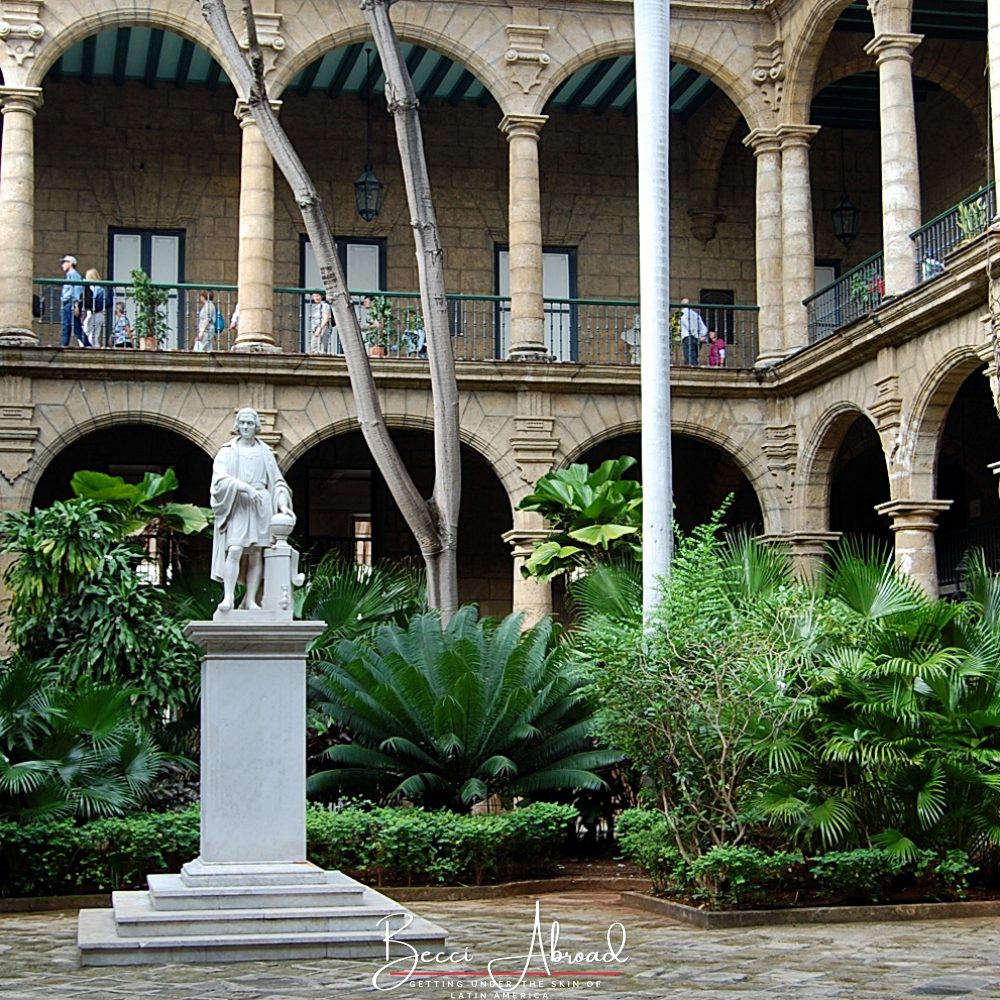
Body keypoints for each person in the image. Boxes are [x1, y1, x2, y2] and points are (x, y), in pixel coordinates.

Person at [210, 407, 293, 613]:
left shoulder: (264, 451)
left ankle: (251, 601)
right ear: (237, 426)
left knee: (257, 553)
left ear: (257, 426)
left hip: (261, 504)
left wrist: (283, 506)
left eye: (250, 423)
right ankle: (228, 597)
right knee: (235, 549)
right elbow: (219, 480)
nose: (246, 427)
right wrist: (244, 487)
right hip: (239, 503)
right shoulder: (227, 451)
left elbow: (277, 483)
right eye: (242, 423)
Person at [59, 255, 91, 348]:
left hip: (70, 303)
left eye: (64, 262)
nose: (62, 265)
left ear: (70, 263)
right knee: (67, 325)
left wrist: (75, 305)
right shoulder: (70, 275)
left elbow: (77, 289)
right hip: (67, 303)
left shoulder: (74, 274)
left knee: (74, 326)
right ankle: (64, 344)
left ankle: (87, 344)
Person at [82, 268, 108, 348]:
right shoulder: (101, 287)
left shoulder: (94, 287)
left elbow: (91, 298)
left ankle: (91, 348)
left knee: (89, 333)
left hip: (94, 313)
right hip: (101, 313)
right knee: (95, 333)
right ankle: (96, 347)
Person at [679, 297, 707, 367]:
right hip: (697, 339)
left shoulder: (681, 314)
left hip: (688, 337)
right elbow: (704, 328)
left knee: (690, 359)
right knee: (694, 357)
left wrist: (697, 336)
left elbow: (689, 326)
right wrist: (701, 336)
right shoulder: (695, 314)